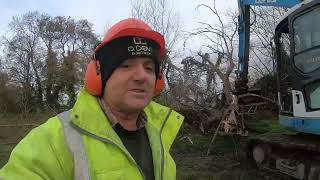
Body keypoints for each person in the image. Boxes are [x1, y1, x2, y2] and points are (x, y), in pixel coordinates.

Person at [0, 18, 184, 180]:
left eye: (149, 68)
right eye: (126, 65)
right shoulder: (50, 140)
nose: (141, 76)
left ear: (158, 80)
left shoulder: (160, 131)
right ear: (98, 76)